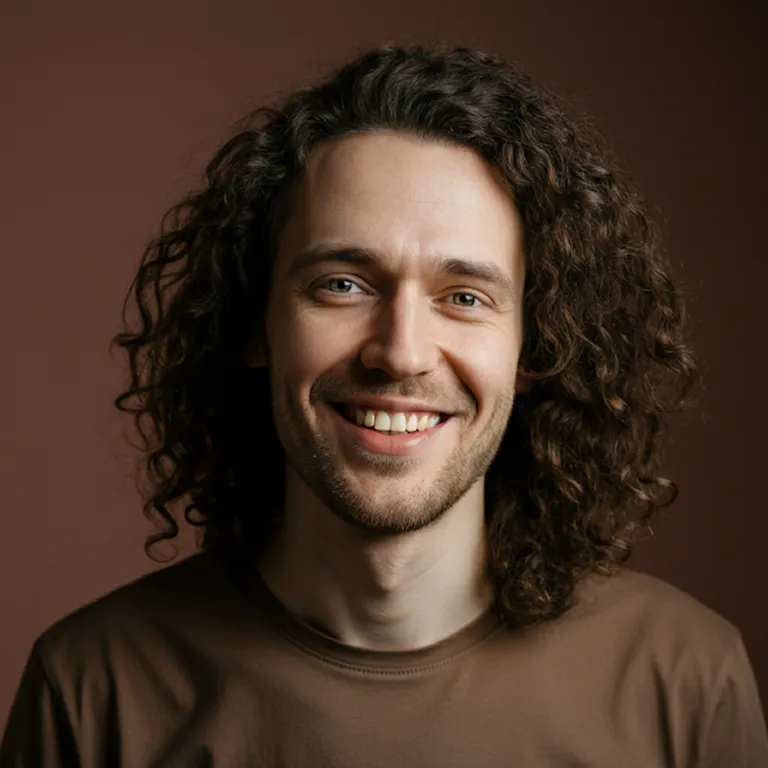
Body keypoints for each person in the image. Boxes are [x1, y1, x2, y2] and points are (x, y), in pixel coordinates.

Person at [1, 44, 766, 767]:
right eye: (342, 284)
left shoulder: (685, 683)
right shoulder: (93, 692)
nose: (401, 353)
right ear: (255, 323)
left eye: (464, 297)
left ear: (535, 348)